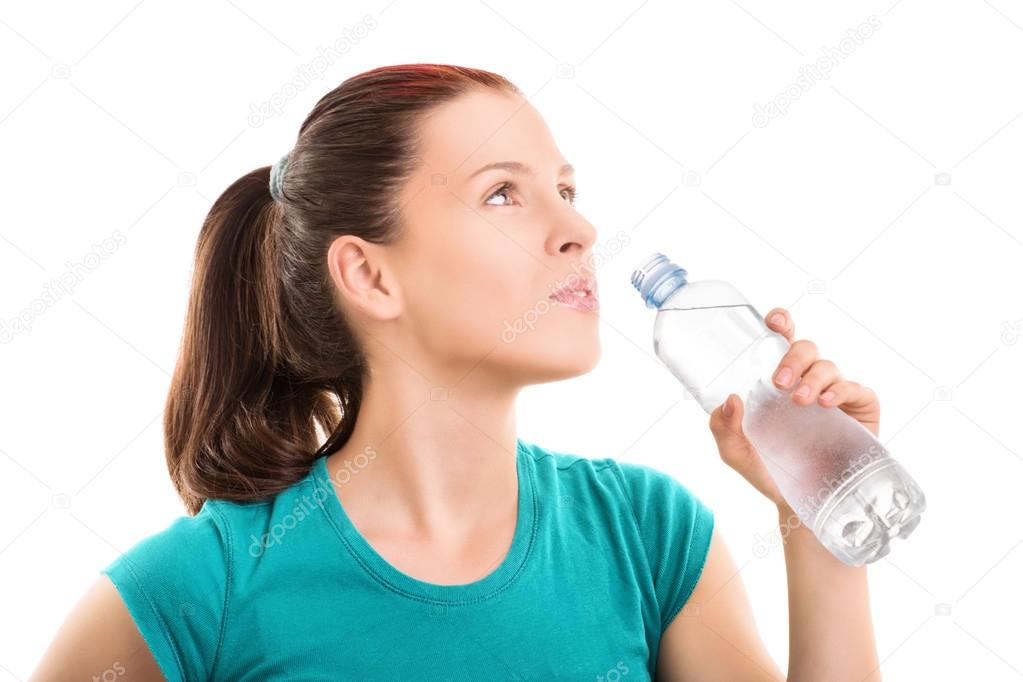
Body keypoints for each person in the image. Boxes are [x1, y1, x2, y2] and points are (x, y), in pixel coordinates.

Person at [32, 63, 881, 681]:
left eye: (565, 187)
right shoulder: (203, 587)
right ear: (370, 275)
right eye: (503, 194)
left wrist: (818, 515)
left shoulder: (647, 537)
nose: (578, 227)